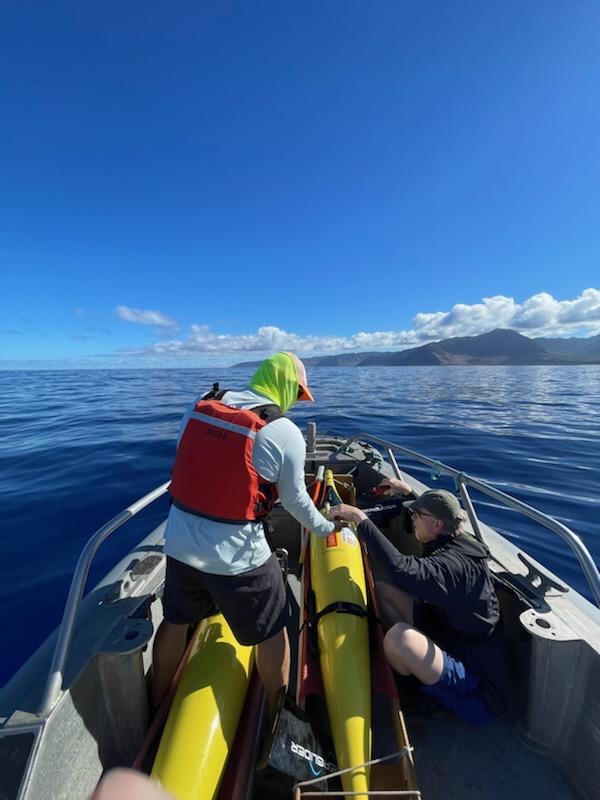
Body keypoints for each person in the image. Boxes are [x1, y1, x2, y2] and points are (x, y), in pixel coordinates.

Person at [152, 352, 337, 716]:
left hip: (178, 542)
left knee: (175, 620)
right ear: (286, 385)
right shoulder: (285, 432)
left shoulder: (202, 404)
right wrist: (326, 527)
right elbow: (296, 501)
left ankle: (156, 701)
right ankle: (279, 715)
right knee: (274, 627)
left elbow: (187, 455)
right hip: (236, 558)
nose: (296, 403)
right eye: (298, 394)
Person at [328, 478, 510, 723]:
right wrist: (408, 493)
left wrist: (361, 520)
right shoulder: (454, 538)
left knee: (399, 640)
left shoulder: (452, 566)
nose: (411, 517)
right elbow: (431, 516)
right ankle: (406, 664)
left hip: (478, 689)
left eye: (416, 514)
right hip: (450, 635)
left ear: (436, 524)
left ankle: (417, 700)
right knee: (382, 592)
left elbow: (402, 570)